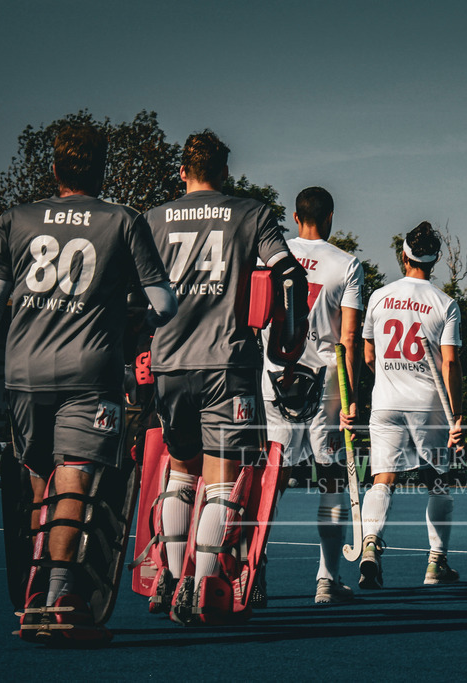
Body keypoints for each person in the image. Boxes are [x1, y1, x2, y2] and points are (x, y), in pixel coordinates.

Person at [0, 124, 175, 642]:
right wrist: (131, 316)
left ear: (55, 169)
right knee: (75, 478)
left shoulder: (13, 219)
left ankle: (37, 588)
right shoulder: (123, 220)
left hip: (23, 373)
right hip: (90, 370)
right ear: (100, 171)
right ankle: (60, 597)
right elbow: (165, 304)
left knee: (40, 479)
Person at [144, 130, 307, 623]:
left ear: (182, 171)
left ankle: (170, 577)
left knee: (179, 472)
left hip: (168, 361)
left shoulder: (152, 219)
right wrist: (289, 339)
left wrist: (136, 350)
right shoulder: (251, 212)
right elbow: (289, 273)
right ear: (226, 171)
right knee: (220, 482)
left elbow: (132, 292)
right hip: (226, 364)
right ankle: (200, 586)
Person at [260, 187, 363, 605]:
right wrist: (354, 397)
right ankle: (326, 578)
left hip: (273, 378)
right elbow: (351, 337)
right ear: (331, 216)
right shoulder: (346, 263)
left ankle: (255, 572)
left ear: (294, 215)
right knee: (331, 479)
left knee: (271, 480)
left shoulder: (269, 256)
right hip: (324, 382)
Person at [352, 222, 463, 588]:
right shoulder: (445, 304)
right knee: (438, 482)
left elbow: (368, 354)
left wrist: (388, 372)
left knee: (382, 479)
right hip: (428, 403)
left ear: (403, 255)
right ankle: (436, 562)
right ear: (435, 261)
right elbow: (450, 363)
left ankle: (370, 545)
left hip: (385, 400)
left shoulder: (379, 297)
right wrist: (458, 413)